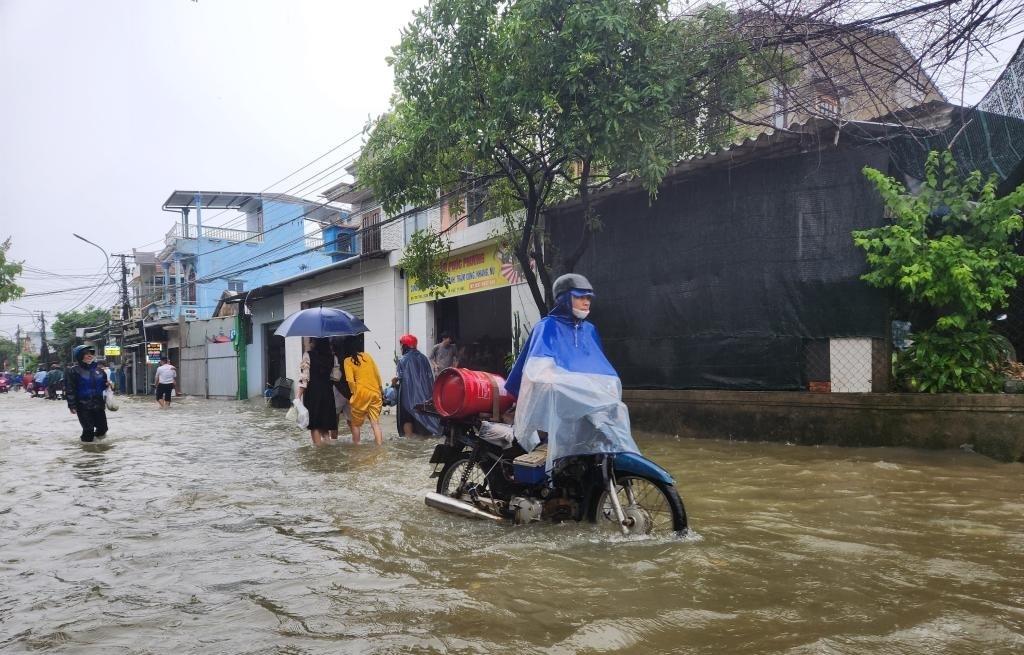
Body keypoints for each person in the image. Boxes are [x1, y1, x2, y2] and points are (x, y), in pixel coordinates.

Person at [504, 273, 640, 470]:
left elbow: (600, 369)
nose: (586, 302)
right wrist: (566, 383)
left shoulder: (590, 330)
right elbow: (538, 372)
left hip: (585, 405)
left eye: (588, 298)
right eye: (580, 297)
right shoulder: (546, 326)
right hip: (557, 404)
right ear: (564, 299)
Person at [393, 334, 441, 437]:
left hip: (407, 396)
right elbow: (429, 377)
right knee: (422, 416)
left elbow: (400, 377)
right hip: (423, 395)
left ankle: (409, 440)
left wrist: (394, 382)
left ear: (404, 345)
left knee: (406, 418)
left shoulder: (403, 360)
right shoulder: (424, 358)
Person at [340, 336, 384, 446]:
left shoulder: (347, 361)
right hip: (375, 392)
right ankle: (379, 446)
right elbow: (377, 374)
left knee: (355, 424)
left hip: (360, 394)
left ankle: (357, 446)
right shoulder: (368, 356)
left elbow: (350, 380)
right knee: (375, 423)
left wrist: (354, 394)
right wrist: (380, 389)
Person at [296, 337, 339, 446]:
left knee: (314, 425)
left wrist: (297, 397)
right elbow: (336, 377)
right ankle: (328, 452)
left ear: (314, 342)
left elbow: (304, 378)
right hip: (328, 393)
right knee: (324, 426)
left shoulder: (307, 355)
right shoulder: (333, 357)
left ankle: (319, 452)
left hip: (313, 393)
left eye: (311, 341)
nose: (310, 343)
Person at [66, 345, 110, 442]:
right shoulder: (73, 371)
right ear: (80, 356)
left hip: (98, 404)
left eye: (91, 353)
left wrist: (108, 385)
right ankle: (86, 448)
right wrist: (71, 405)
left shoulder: (100, 371)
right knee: (88, 430)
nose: (89, 356)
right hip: (82, 405)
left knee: (103, 429)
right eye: (86, 354)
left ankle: (98, 447)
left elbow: (104, 386)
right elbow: (70, 389)